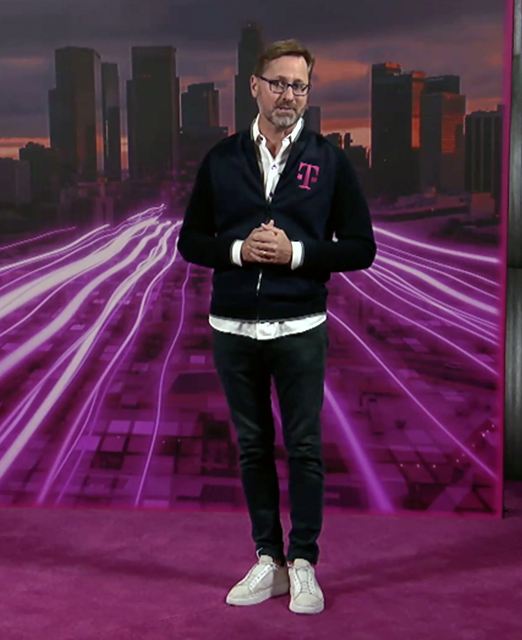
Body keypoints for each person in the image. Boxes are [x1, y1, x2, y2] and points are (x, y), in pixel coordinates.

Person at [177, 39, 376, 615]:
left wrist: (294, 254)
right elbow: (189, 239)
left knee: (306, 447)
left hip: (300, 326)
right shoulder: (220, 159)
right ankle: (267, 559)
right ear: (254, 86)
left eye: (299, 86)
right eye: (279, 82)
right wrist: (239, 250)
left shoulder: (330, 160)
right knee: (253, 449)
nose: (288, 95)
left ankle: (304, 563)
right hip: (233, 326)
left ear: (308, 94)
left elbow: (362, 248)